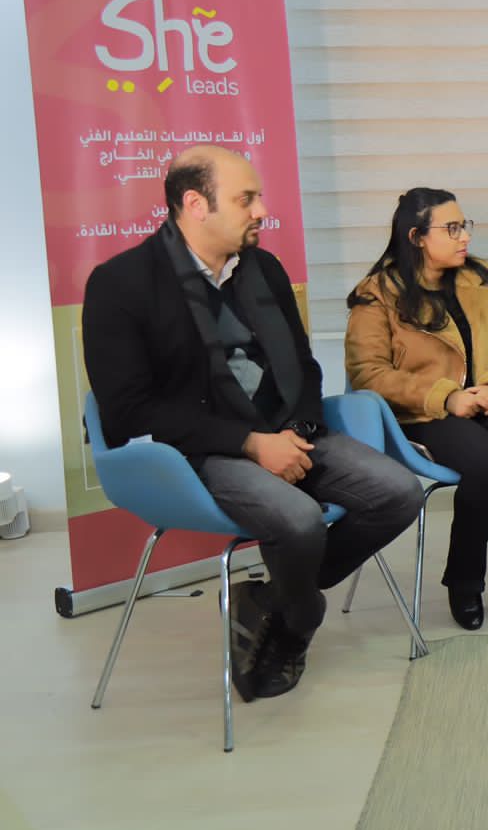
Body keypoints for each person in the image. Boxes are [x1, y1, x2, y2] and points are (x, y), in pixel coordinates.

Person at [82, 146, 422, 701]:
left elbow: (304, 366)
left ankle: (270, 600)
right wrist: (250, 444)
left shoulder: (264, 269)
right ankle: (301, 617)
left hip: (286, 432)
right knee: (299, 520)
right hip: (197, 453)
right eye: (246, 199)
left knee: (399, 492)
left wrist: (300, 433)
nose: (262, 210)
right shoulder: (120, 284)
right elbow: (129, 410)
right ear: (195, 204)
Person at [346, 188, 488, 629]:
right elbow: (368, 374)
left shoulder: (477, 278)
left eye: (465, 226)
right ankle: (464, 583)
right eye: (453, 228)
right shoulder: (378, 293)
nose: (465, 237)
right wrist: (446, 396)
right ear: (417, 237)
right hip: (423, 411)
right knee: (487, 464)